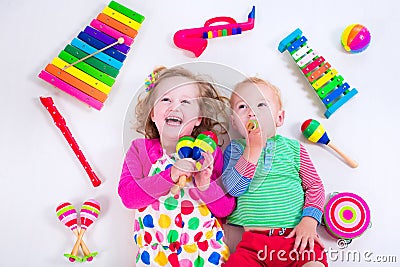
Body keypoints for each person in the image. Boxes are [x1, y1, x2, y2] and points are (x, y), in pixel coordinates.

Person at [118, 66, 235, 266]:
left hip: (205, 252)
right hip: (155, 256)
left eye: (185, 102)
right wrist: (170, 174)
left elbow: (226, 209)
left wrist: (204, 184)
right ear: (152, 114)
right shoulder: (139, 149)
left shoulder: (209, 153)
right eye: (166, 99)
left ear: (198, 118)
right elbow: (129, 198)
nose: (175, 107)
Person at [222, 77, 328, 267]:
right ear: (235, 122)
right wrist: (252, 150)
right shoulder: (235, 150)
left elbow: (315, 186)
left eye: (261, 104)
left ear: (279, 118)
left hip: (298, 238)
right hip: (253, 245)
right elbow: (233, 189)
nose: (252, 112)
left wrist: (310, 221)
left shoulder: (294, 149)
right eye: (242, 107)